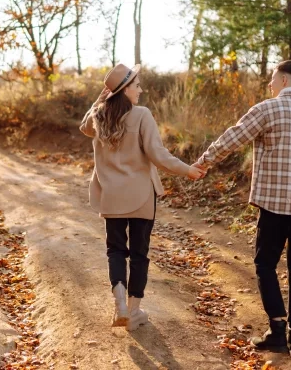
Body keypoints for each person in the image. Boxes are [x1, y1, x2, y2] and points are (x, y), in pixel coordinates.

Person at [192, 60, 291, 360]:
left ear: (284, 80)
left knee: (264, 265)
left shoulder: (268, 109)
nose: (270, 86)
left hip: (274, 205)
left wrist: (204, 161)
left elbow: (233, 137)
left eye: (273, 80)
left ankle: (277, 329)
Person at [80, 63, 205, 331]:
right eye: (136, 86)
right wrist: (188, 170)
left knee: (115, 250)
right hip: (141, 197)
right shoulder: (142, 115)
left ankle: (120, 304)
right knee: (139, 254)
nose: (141, 90)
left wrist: (104, 96)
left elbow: (84, 126)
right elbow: (158, 155)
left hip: (110, 196)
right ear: (124, 90)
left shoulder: (98, 117)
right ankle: (133, 311)